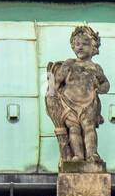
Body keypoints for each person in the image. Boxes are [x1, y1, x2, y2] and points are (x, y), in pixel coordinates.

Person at [46, 25, 109, 165]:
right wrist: (52, 93)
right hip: (69, 103)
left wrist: (101, 89)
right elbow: (58, 81)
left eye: (85, 44)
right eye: (77, 44)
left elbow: (106, 84)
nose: (80, 47)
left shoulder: (95, 68)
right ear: (73, 46)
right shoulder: (69, 63)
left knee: (89, 128)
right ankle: (78, 156)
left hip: (89, 104)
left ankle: (92, 154)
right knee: (74, 129)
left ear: (93, 47)